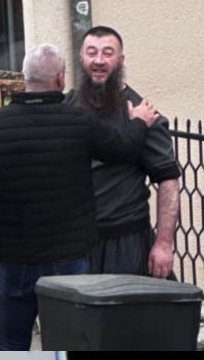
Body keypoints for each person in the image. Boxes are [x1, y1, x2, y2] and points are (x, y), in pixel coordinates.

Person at [0, 43, 159, 351]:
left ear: (24, 77)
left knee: (12, 346)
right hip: (69, 259)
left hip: (15, 259)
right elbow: (122, 149)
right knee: (70, 343)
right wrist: (139, 122)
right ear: (60, 79)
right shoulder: (78, 122)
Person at [64, 25, 183, 277]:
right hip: (73, 241)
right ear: (81, 58)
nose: (99, 60)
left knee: (126, 315)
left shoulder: (145, 114)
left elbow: (168, 180)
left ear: (120, 60)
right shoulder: (66, 108)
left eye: (108, 53)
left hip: (125, 242)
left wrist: (164, 243)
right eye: (92, 52)